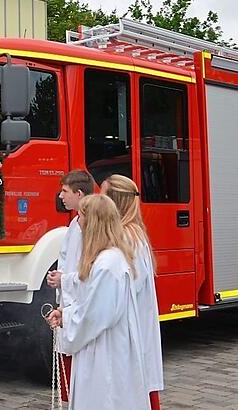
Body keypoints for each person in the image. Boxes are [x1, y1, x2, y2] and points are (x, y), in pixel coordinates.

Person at [46, 194, 147, 410]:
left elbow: (96, 317)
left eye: (82, 216)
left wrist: (68, 319)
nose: (78, 221)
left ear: (93, 223)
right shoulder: (107, 259)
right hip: (103, 346)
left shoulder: (108, 264)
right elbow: (93, 303)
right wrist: (67, 313)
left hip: (104, 352)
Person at [102, 174, 163, 409]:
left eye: (104, 196)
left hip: (129, 328)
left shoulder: (127, 237)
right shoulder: (131, 232)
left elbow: (127, 286)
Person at [45, 168, 95, 401]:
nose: (60, 196)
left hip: (80, 304)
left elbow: (90, 271)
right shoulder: (75, 223)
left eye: (65, 191)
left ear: (80, 193)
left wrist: (64, 279)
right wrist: (58, 277)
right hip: (68, 300)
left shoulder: (90, 226)